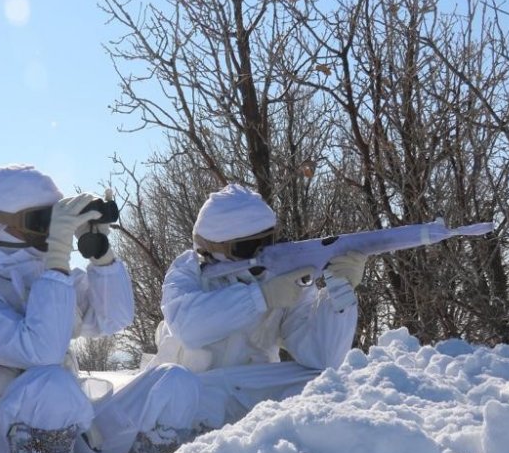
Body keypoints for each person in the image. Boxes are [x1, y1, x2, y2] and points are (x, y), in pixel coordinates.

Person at [0, 164, 214, 453]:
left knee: (172, 380)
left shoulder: (44, 275)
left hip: (68, 427)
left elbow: (114, 317)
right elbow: (43, 351)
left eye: (57, 222)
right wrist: (58, 258)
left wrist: (100, 253)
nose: (53, 234)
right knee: (52, 384)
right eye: (43, 222)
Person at [149, 183, 365, 428]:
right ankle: (162, 440)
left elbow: (322, 357)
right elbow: (187, 327)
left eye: (268, 241)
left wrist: (340, 289)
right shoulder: (186, 272)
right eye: (249, 246)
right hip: (193, 395)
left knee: (319, 382)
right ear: (214, 247)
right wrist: (261, 296)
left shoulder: (283, 276)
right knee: (174, 384)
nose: (262, 252)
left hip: (248, 394)